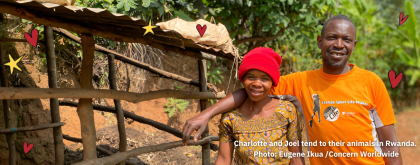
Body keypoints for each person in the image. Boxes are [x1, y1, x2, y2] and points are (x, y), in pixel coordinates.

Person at [183, 15, 403, 165]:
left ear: (354, 44)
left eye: (346, 39)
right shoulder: (300, 82)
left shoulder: (371, 82)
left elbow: (389, 142)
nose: (338, 44)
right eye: (331, 37)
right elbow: (254, 89)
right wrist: (207, 113)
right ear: (319, 41)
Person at [215, 47, 303, 165]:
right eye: (251, 77)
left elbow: (296, 158)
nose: (257, 83)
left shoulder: (287, 110)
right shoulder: (230, 117)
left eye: (264, 78)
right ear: (243, 79)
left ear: (272, 82)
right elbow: (223, 160)